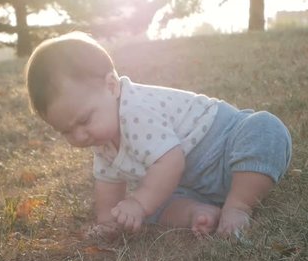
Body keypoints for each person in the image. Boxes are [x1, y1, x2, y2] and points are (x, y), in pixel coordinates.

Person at [25, 32, 292, 239]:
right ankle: (198, 213)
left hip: (223, 149)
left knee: (264, 129)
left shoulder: (135, 109)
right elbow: (107, 183)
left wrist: (139, 203)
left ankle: (238, 205)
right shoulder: (102, 137)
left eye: (83, 121)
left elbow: (170, 161)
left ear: (111, 86)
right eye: (66, 131)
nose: (79, 136)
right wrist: (108, 220)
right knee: (151, 208)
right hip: (188, 184)